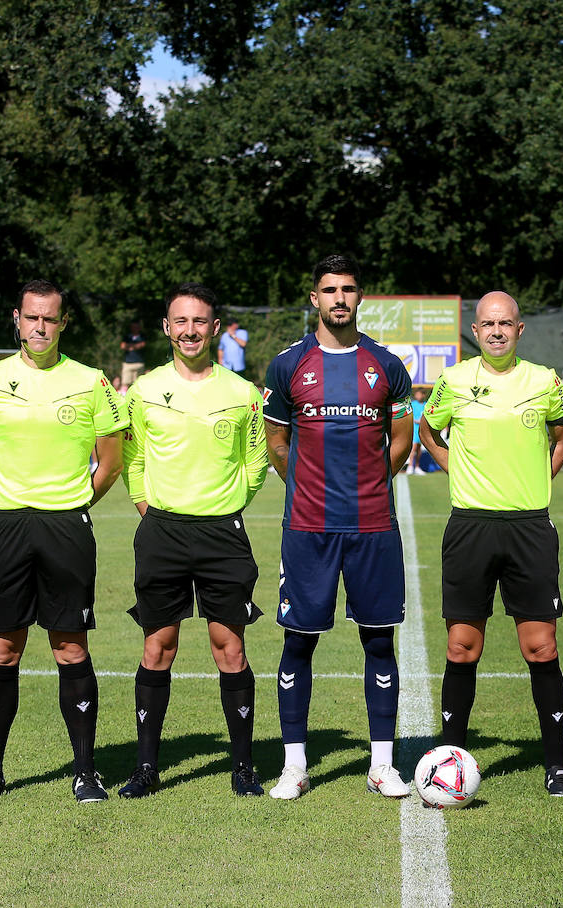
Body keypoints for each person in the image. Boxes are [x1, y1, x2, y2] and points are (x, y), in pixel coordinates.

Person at [0, 279, 127, 804]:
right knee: (3, 647)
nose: (40, 327)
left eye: (50, 319)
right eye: (32, 317)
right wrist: (7, 502)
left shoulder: (92, 382)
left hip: (66, 527)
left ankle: (85, 771)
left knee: (69, 644)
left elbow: (112, 461)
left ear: (63, 323)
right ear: (17, 318)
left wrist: (70, 507)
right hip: (4, 526)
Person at [262, 254, 414, 801]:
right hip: (308, 526)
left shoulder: (385, 363)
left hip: (373, 525)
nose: (339, 298)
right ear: (315, 298)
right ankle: (294, 766)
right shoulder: (288, 366)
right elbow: (277, 439)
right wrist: (301, 482)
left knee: (379, 640)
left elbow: (402, 433)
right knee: (298, 641)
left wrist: (378, 475)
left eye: (348, 289)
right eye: (330, 290)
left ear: (360, 296)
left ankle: (382, 765)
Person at [418, 291, 563, 796]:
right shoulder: (455, 380)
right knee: (463, 646)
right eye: (487, 324)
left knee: (541, 645)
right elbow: (428, 430)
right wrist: (455, 469)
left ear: (520, 329)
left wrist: (540, 481)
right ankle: (450, 755)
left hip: (530, 527)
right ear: (476, 330)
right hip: (470, 527)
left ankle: (556, 765)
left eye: (505, 323)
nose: (496, 331)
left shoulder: (545, 382)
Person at [117, 283, 269, 799]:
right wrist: (149, 509)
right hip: (161, 531)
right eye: (180, 321)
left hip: (222, 533)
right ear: (167, 327)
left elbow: (256, 464)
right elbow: (132, 461)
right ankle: (145, 768)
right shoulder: (142, 392)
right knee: (158, 646)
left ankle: (244, 766)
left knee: (229, 647)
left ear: (215, 328)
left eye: (199, 322)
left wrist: (224, 509)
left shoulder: (243, 393)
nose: (189, 331)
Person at [407, 387, 428, 474]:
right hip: (414, 429)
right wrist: (415, 420)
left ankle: (417, 467)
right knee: (414, 447)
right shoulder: (413, 404)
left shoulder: (426, 405)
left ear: (423, 395)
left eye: (420, 394)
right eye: (417, 394)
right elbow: (409, 415)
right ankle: (410, 466)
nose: (418, 396)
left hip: (422, 430)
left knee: (419, 449)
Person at [120, 320, 147, 388]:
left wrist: (130, 346)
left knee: (138, 384)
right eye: (133, 327)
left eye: (136, 327)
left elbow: (142, 345)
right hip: (127, 363)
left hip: (139, 363)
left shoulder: (142, 336)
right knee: (125, 383)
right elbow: (123, 346)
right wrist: (134, 346)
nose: (135, 328)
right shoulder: (127, 336)